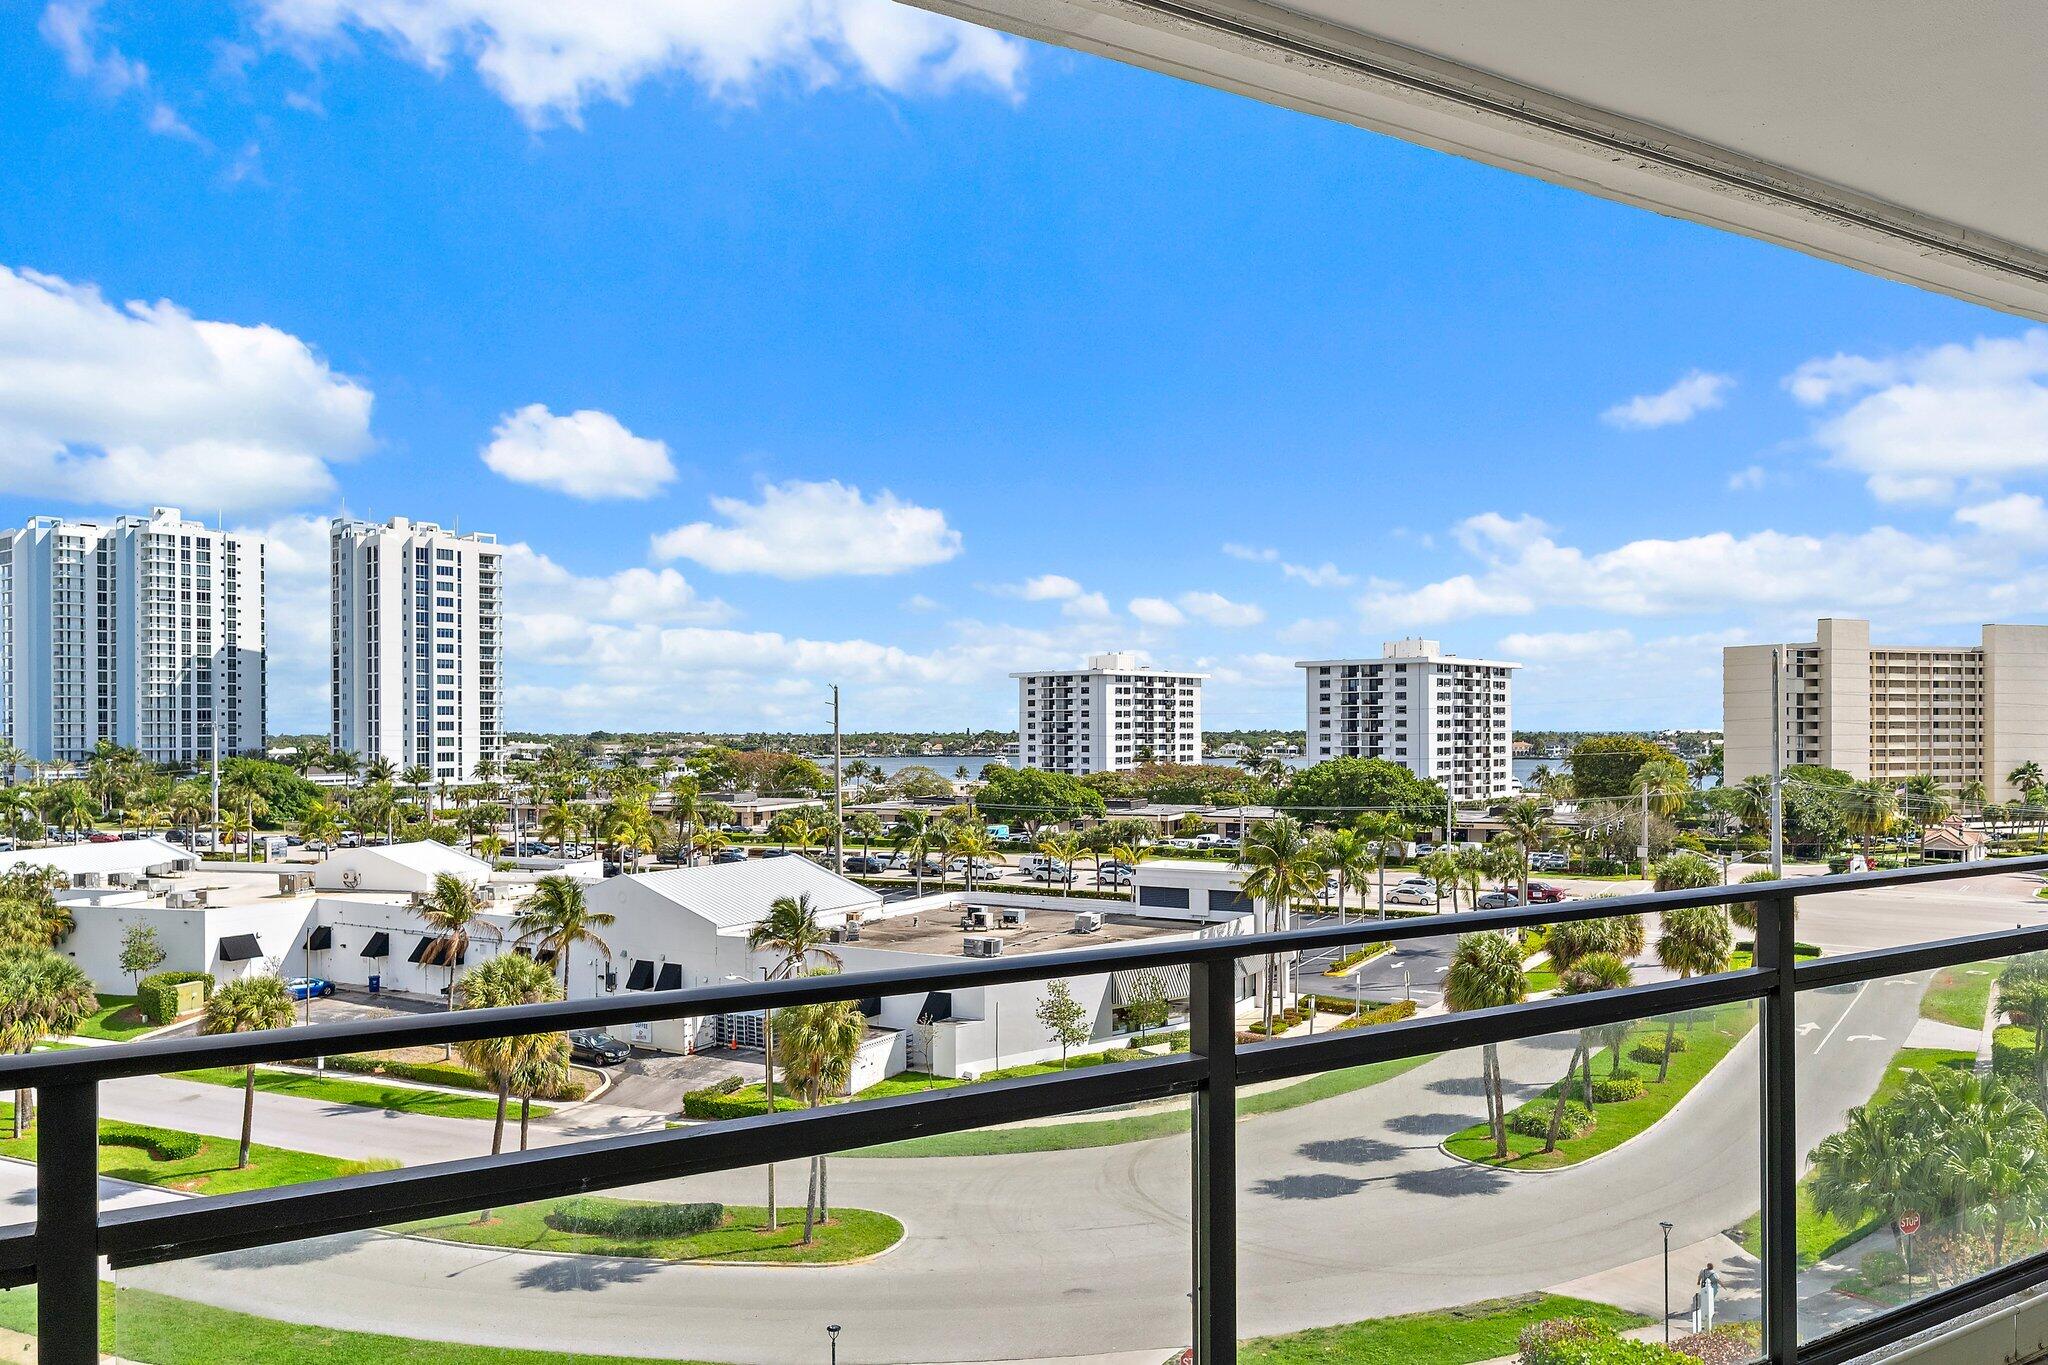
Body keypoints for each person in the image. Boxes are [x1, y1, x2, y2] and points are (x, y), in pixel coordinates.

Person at [1696, 1262, 1722, 1331]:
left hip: (1704, 1285)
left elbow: (1700, 1276)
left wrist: (1698, 1281)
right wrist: (1723, 1285)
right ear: (1712, 1267)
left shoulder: (1703, 1271)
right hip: (1713, 1287)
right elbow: (1718, 1280)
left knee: (1704, 1296)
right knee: (1710, 1298)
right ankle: (1708, 1308)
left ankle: (1703, 1306)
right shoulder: (1714, 1273)